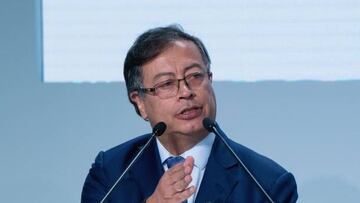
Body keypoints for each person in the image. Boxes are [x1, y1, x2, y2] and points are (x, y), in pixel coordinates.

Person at [81, 25, 298, 203]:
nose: (186, 92)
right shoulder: (111, 173)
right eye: (166, 84)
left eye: (195, 76)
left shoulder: (266, 183)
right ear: (140, 103)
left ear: (210, 79)